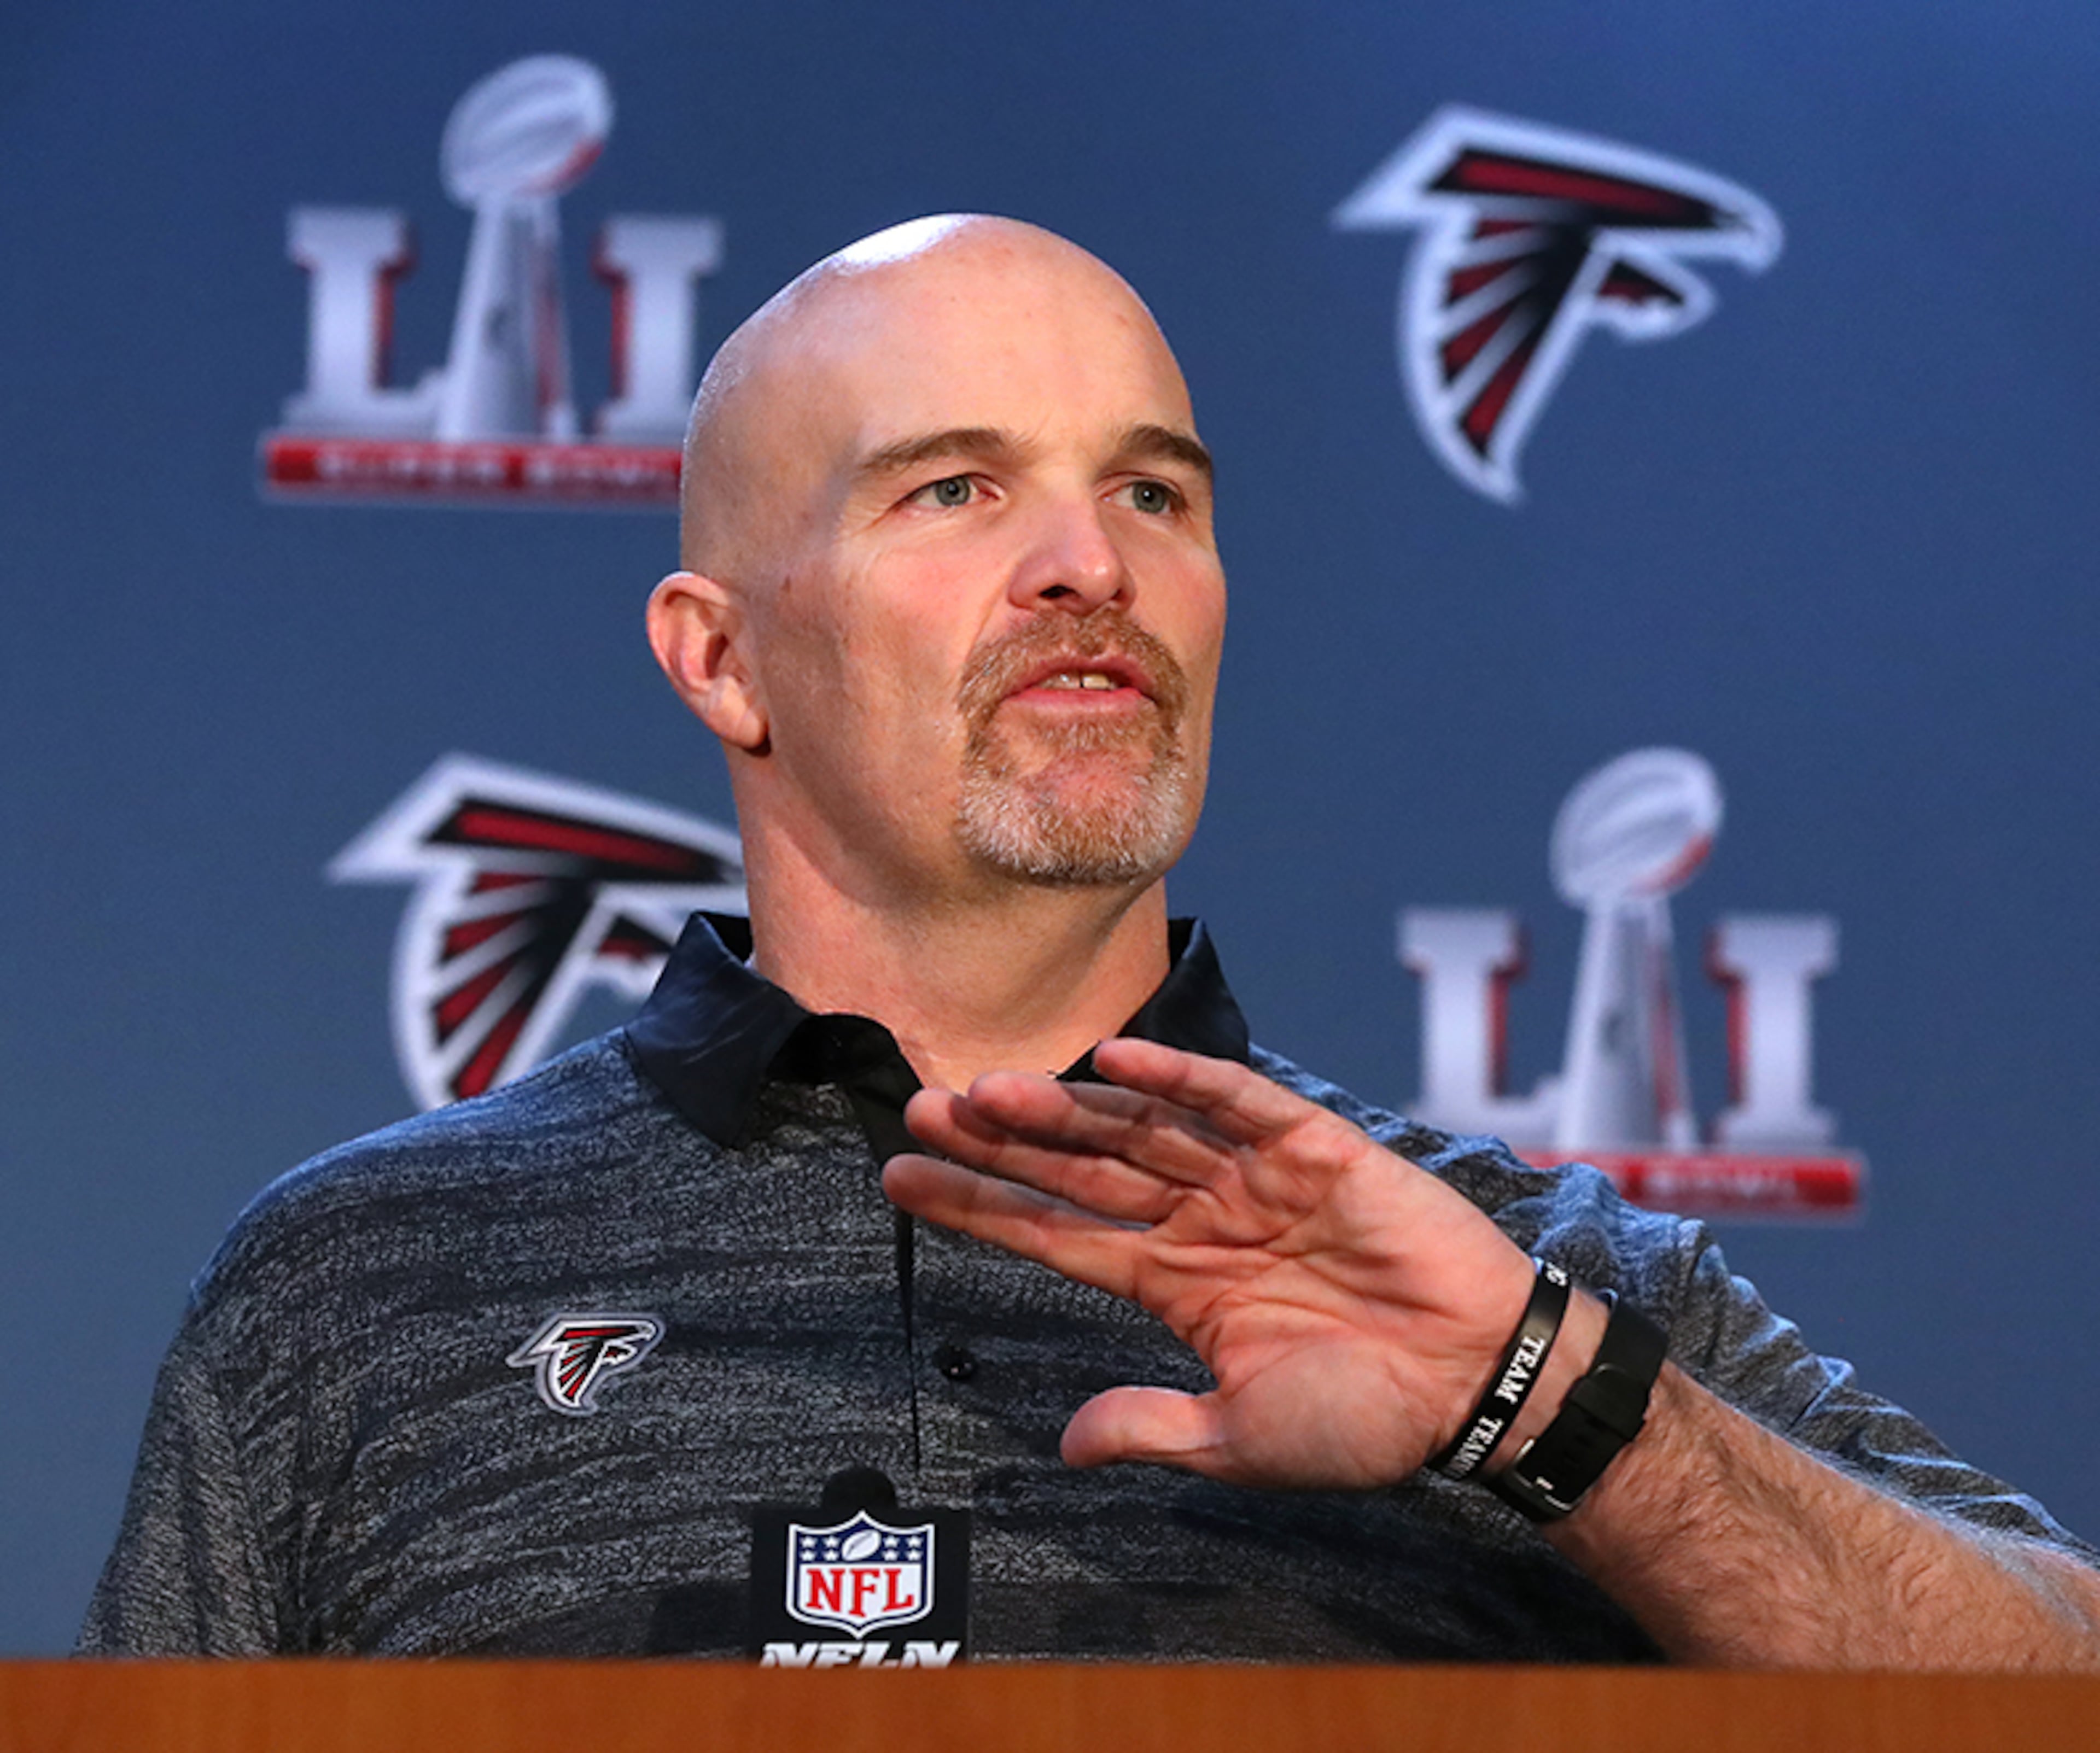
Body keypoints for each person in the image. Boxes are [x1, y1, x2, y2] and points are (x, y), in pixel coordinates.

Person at [82, 215, 2100, 1664]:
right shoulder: (353, 1293)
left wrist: (1534, 1406)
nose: (1088, 566)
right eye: (956, 490)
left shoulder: (1518, 1283)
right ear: (723, 661)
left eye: (1154, 491)